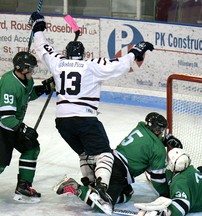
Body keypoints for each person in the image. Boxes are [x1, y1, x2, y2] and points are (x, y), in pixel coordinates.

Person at [28, 11, 154, 214]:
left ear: (68, 54)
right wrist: (135, 51)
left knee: (85, 153)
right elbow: (119, 65)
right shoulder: (91, 65)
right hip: (85, 118)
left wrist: (38, 27)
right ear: (83, 54)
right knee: (104, 155)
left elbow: (42, 48)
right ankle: (102, 190)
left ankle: (90, 182)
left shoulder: (58, 62)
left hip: (63, 122)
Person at [53, 112, 182, 215]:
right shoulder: (157, 150)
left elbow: (147, 143)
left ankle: (93, 185)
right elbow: (158, 180)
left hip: (107, 161)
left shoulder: (141, 126)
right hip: (118, 172)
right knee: (104, 205)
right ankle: (76, 188)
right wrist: (167, 194)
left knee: (127, 193)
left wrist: (163, 141)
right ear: (159, 131)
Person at [0, 51, 52, 203]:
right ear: (23, 69)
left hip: (12, 126)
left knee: (31, 147)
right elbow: (6, 117)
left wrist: (44, 88)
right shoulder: (9, 83)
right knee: (1, 164)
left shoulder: (26, 81)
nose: (33, 71)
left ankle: (23, 186)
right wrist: (23, 129)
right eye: (31, 68)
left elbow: (28, 95)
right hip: (3, 127)